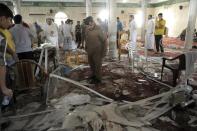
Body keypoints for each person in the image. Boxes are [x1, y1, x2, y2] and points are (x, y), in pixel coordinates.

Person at [84, 16, 107, 84]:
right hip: (90, 50)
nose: (88, 27)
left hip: (97, 51)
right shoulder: (87, 29)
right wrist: (86, 46)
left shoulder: (99, 29)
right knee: (91, 64)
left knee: (97, 65)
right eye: (87, 26)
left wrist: (104, 52)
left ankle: (98, 79)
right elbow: (87, 38)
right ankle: (94, 75)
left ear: (92, 22)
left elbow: (104, 41)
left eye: (89, 25)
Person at [0, 3, 14, 100]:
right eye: (9, 20)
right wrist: (4, 88)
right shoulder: (0, 37)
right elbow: (1, 63)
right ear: (2, 18)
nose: (10, 23)